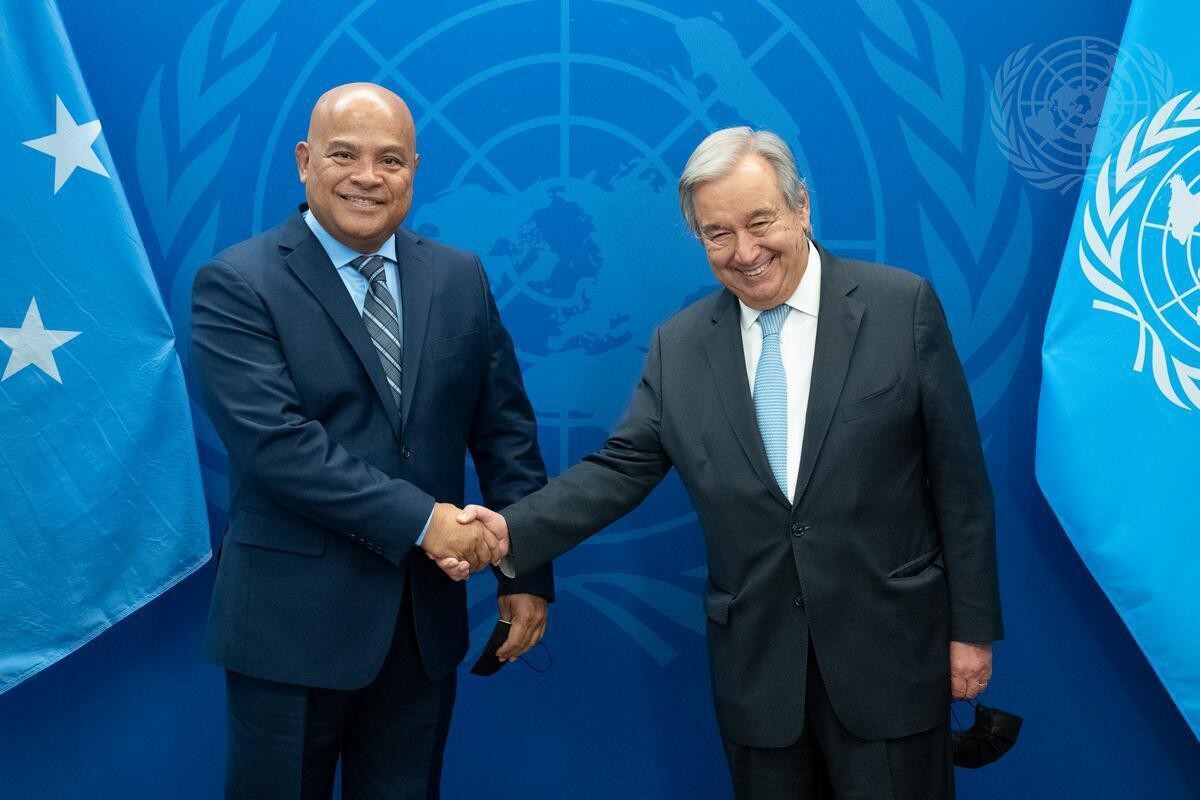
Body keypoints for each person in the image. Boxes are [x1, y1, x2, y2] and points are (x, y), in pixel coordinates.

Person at [455, 127, 1003, 799]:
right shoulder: (679, 347)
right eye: (718, 234)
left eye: (760, 222)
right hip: (761, 675)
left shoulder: (900, 307)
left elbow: (960, 484)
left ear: (801, 206)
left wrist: (971, 631)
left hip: (892, 659)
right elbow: (618, 469)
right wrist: (507, 532)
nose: (745, 253)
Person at [190, 82, 553, 800]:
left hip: (419, 635)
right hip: (289, 631)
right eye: (343, 154)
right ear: (303, 160)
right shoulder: (237, 282)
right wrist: (426, 522)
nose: (367, 176)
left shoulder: (460, 277)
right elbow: (278, 447)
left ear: (414, 167)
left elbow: (505, 431)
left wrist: (525, 572)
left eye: (389, 159)